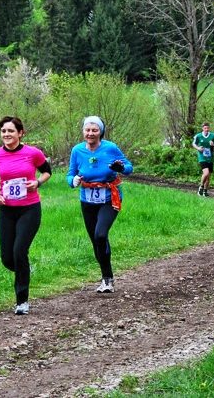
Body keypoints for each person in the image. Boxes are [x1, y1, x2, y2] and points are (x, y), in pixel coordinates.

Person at [0, 116, 52, 316]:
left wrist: (37, 183)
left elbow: (47, 171)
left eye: (11, 131)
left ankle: (22, 301)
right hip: (7, 210)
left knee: (19, 251)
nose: (7, 134)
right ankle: (24, 271)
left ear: (20, 133)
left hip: (29, 209)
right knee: (7, 258)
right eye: (4, 131)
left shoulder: (32, 153)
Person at [67, 116, 133, 294]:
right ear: (83, 132)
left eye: (94, 130)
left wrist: (121, 168)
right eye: (87, 130)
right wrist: (73, 180)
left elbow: (128, 167)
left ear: (101, 132)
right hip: (87, 200)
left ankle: (108, 278)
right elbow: (69, 175)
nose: (90, 133)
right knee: (95, 240)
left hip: (109, 197)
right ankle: (106, 278)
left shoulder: (110, 148)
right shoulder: (77, 150)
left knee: (100, 234)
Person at [192, 122, 214, 197]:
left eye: (207, 128)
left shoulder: (213, 135)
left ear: (209, 128)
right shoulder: (198, 136)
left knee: (208, 176)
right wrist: (198, 148)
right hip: (202, 157)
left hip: (210, 158)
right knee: (206, 173)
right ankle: (201, 187)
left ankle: (205, 191)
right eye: (205, 128)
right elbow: (193, 144)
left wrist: (213, 145)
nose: (206, 129)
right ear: (202, 128)